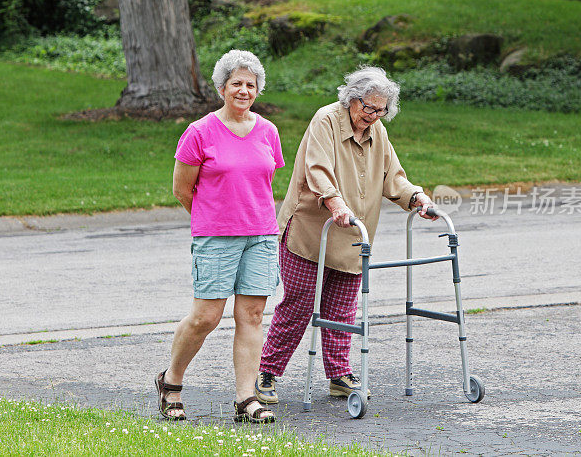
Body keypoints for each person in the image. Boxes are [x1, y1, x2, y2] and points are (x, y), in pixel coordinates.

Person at [254, 66, 436, 404]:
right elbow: (317, 168)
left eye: (380, 110)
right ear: (352, 99)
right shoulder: (326, 120)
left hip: (354, 235)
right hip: (312, 232)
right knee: (299, 304)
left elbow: (392, 176)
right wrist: (335, 203)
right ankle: (267, 372)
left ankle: (338, 375)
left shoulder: (377, 131)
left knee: (342, 308)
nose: (372, 115)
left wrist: (416, 198)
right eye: (367, 107)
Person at [155, 50, 284, 423]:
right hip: (216, 238)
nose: (244, 90)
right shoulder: (199, 132)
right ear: (222, 88)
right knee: (206, 317)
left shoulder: (268, 131)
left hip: (260, 234)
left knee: (253, 316)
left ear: (257, 90)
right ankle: (171, 382)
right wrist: (212, 222)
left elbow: (262, 181)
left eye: (250, 84)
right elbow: (182, 190)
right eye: (236, 84)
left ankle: (246, 398)